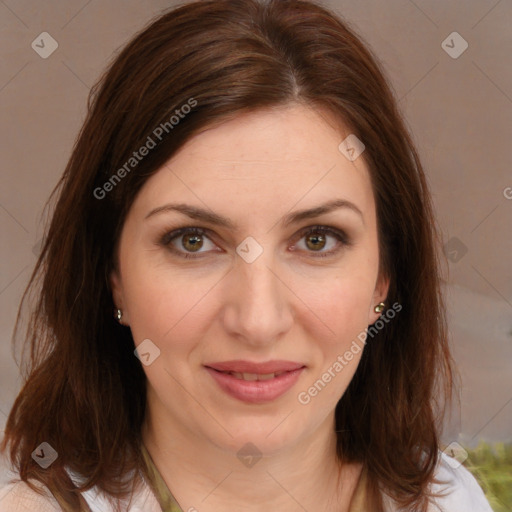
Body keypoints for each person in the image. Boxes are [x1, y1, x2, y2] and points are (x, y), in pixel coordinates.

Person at [0, 0, 494, 510]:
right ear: (112, 273)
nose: (258, 322)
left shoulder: (451, 499)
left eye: (317, 239)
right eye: (192, 240)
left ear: (384, 278)